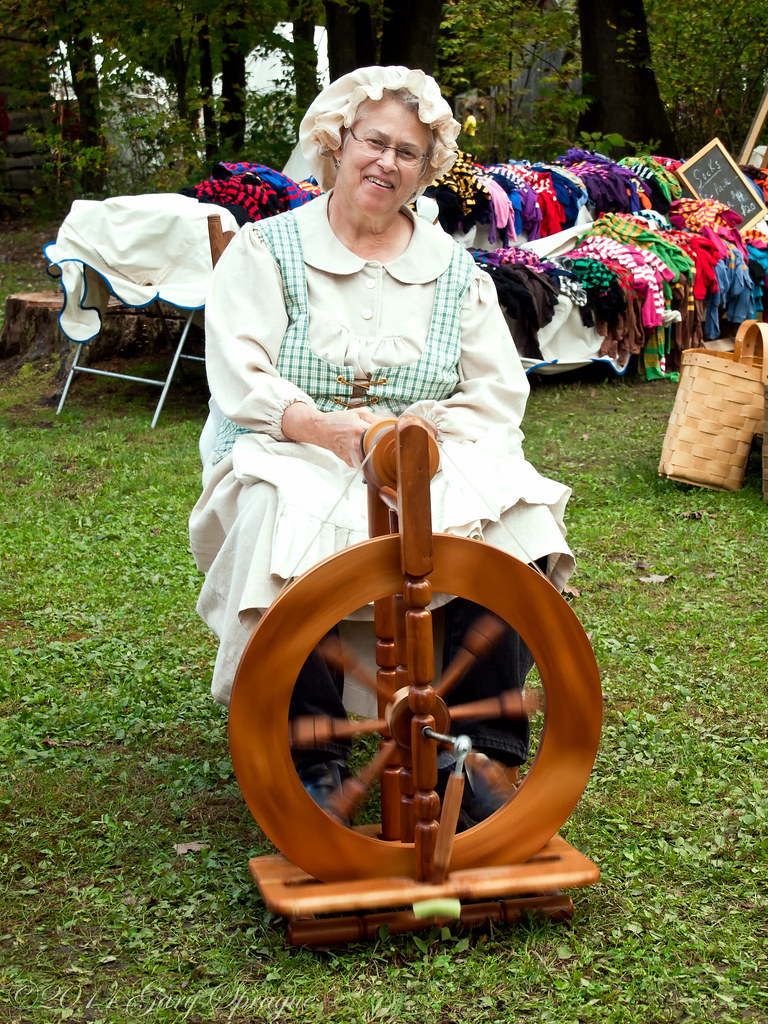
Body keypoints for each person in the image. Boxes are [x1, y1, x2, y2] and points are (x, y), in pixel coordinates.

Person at [189, 65, 575, 825]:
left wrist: (423, 441)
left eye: (407, 151)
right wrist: (331, 430)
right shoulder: (267, 251)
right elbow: (241, 379)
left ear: (424, 169)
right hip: (293, 441)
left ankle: (475, 748)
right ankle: (315, 764)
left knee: (518, 518)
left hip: (419, 447)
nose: (386, 162)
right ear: (337, 142)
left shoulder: (451, 269)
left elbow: (496, 394)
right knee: (281, 516)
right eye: (374, 141)